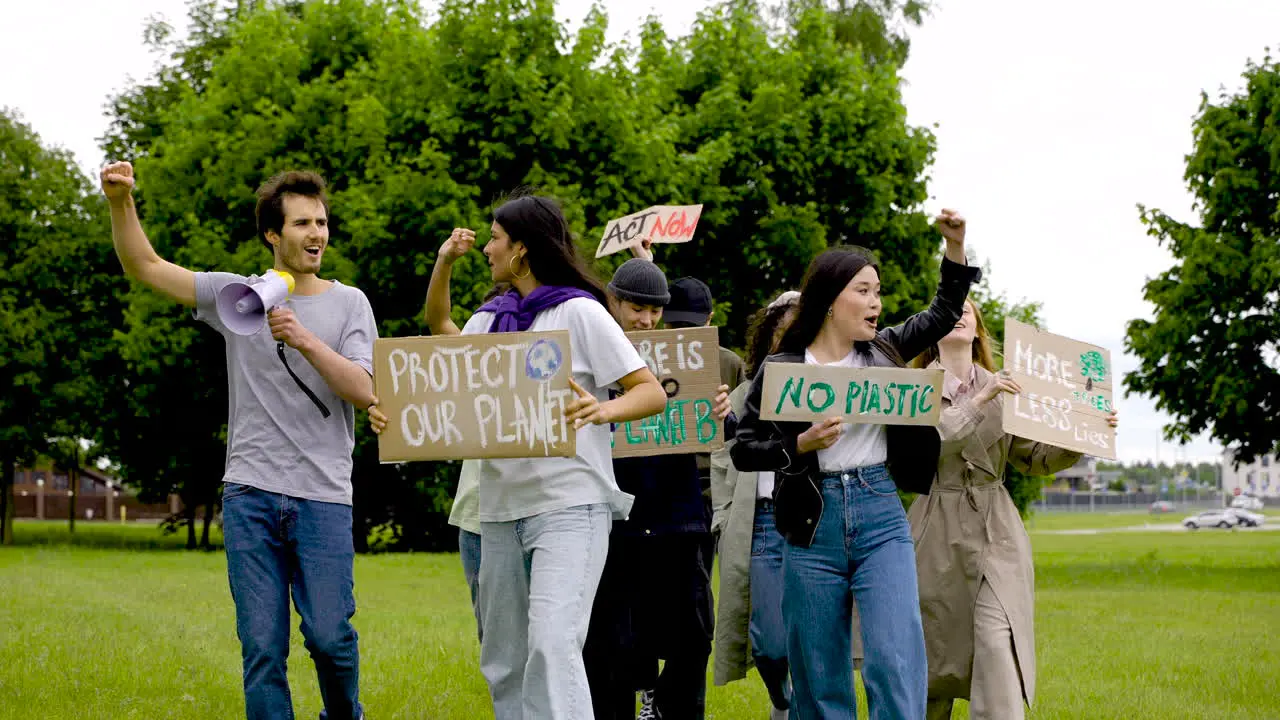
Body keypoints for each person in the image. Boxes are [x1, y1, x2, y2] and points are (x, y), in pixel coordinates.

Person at [371, 194, 667, 720]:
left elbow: (650, 392)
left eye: (495, 239)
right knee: (504, 659)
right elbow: (445, 384)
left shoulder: (581, 312)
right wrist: (396, 417)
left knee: (552, 646)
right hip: (499, 512)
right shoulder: (487, 321)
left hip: (571, 506)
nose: (486, 248)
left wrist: (601, 411)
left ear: (522, 251)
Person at [101, 162, 378, 720]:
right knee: (261, 651)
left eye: (321, 222)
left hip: (322, 497)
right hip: (250, 496)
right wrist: (119, 201)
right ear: (274, 235)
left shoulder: (351, 304)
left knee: (329, 637)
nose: (317, 234)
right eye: (302, 223)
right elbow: (146, 266)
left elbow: (364, 389)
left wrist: (302, 339)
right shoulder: (239, 296)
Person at [730, 210, 981, 719]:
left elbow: (940, 311)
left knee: (893, 656)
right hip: (809, 521)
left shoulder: (884, 350)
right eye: (864, 291)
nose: (876, 302)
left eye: (878, 292)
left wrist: (955, 250)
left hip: (880, 515)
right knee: (819, 671)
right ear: (830, 300)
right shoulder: (783, 369)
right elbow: (744, 448)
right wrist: (798, 445)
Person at [908, 299, 1119, 720]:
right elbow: (924, 446)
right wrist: (980, 398)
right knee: (933, 654)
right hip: (933, 529)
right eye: (950, 309)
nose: (960, 313)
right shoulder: (913, 389)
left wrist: (1085, 433)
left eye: (968, 309)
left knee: (995, 638)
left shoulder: (1009, 390)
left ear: (979, 331)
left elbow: (1036, 457)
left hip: (996, 530)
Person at [583, 260, 730, 720]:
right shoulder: (588, 355)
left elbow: (722, 433)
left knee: (694, 637)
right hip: (613, 521)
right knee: (609, 645)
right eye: (635, 307)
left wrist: (721, 411)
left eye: (653, 310)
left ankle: (669, 709)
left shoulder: (682, 358)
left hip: (680, 517)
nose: (645, 319)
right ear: (613, 302)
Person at [710, 290, 799, 720]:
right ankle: (782, 702)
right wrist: (723, 517)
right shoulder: (744, 392)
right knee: (768, 643)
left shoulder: (822, 385)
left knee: (811, 632)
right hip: (760, 523)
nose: (789, 344)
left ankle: (804, 706)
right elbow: (722, 455)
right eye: (782, 334)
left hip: (809, 520)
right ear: (766, 340)